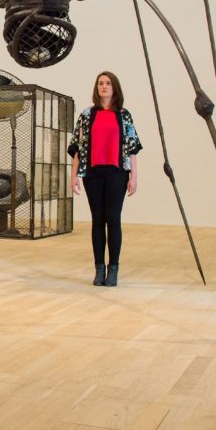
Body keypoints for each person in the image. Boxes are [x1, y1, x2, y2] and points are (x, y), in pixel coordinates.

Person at [67, 71, 142, 287]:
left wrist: (134, 177)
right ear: (96, 88)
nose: (104, 86)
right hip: (93, 173)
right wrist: (74, 176)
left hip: (117, 173)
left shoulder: (124, 115)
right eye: (100, 83)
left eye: (108, 83)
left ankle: (114, 269)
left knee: (113, 219)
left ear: (114, 87)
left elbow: (132, 148)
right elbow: (77, 148)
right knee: (97, 220)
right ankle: (99, 268)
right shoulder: (86, 115)